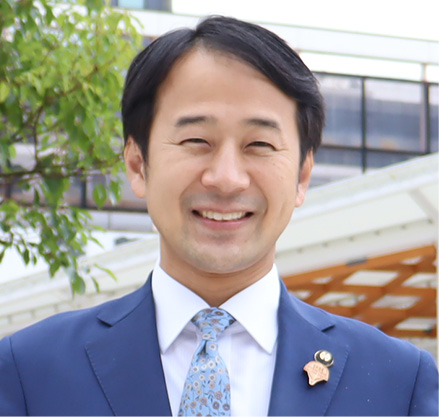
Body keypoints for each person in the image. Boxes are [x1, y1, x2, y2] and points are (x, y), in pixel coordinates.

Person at [0, 15, 437, 417]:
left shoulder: (398, 383)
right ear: (137, 164)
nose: (226, 179)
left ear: (302, 175)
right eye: (196, 140)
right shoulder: (29, 372)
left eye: (259, 145)